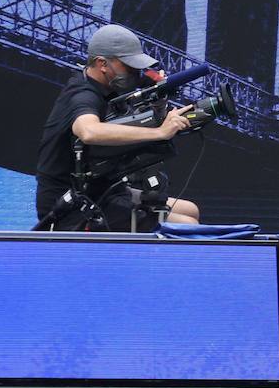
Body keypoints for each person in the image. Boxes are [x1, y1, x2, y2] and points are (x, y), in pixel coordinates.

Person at [36, 24, 200, 233]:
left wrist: (159, 104)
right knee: (187, 225)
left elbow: (132, 123)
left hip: (102, 189)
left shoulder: (110, 89)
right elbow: (88, 131)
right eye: (128, 66)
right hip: (73, 204)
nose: (135, 72)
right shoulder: (82, 94)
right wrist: (160, 133)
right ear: (102, 63)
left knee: (191, 210)